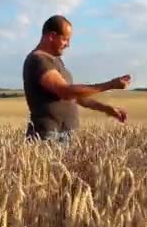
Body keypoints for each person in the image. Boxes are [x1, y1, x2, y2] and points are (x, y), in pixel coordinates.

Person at [22, 15, 131, 143]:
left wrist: (106, 109)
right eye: (65, 39)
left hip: (65, 134)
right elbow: (65, 92)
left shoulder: (56, 61)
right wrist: (110, 85)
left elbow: (76, 97)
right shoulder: (38, 60)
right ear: (51, 36)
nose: (68, 45)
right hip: (47, 135)